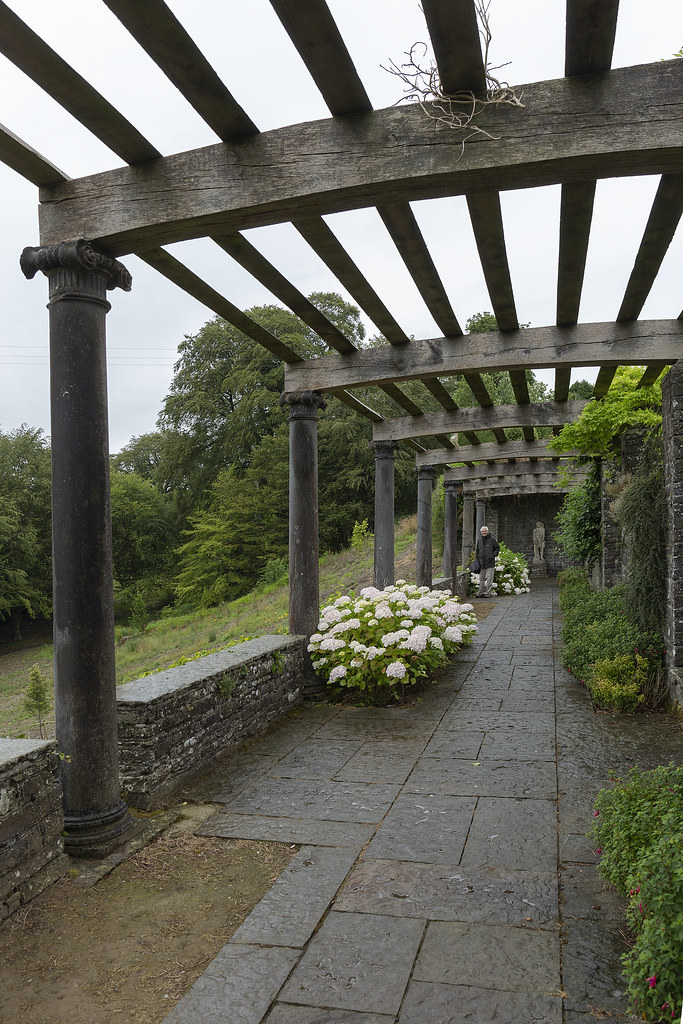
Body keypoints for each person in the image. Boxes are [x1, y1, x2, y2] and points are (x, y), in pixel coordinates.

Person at [475, 525, 499, 597]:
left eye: (485, 531)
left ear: (488, 531)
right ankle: (481, 592)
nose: (484, 532)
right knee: (481, 579)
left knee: (489, 579)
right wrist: (477, 559)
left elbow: (497, 548)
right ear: (481, 532)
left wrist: (493, 555)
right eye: (482, 531)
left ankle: (488, 593)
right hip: (481, 563)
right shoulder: (479, 540)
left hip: (490, 563)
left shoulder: (492, 540)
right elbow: (477, 551)